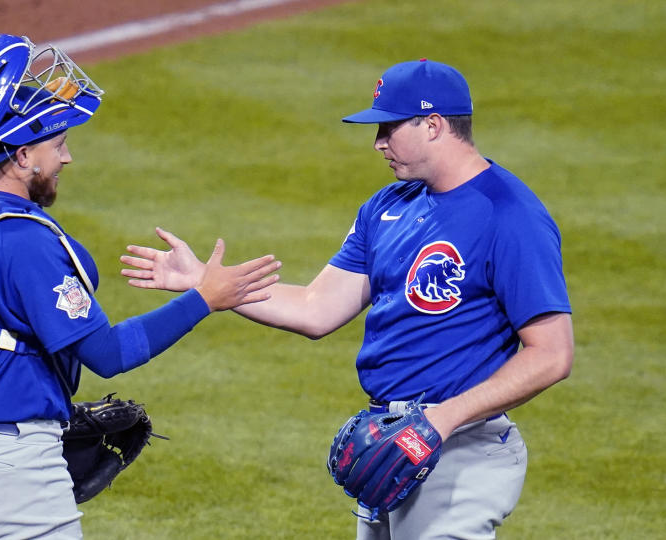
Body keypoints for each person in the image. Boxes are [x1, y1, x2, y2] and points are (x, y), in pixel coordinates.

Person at [120, 59, 574, 539]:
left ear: (434, 125)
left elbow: (552, 354)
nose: (378, 142)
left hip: (461, 446)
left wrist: (441, 420)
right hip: (388, 443)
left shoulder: (509, 215)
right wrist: (208, 285)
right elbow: (317, 307)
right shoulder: (386, 206)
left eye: (389, 127)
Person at [0, 34, 280, 539]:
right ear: (22, 154)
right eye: (58, 145)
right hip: (3, 471)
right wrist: (204, 298)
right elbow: (108, 353)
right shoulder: (27, 242)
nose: (67, 158)